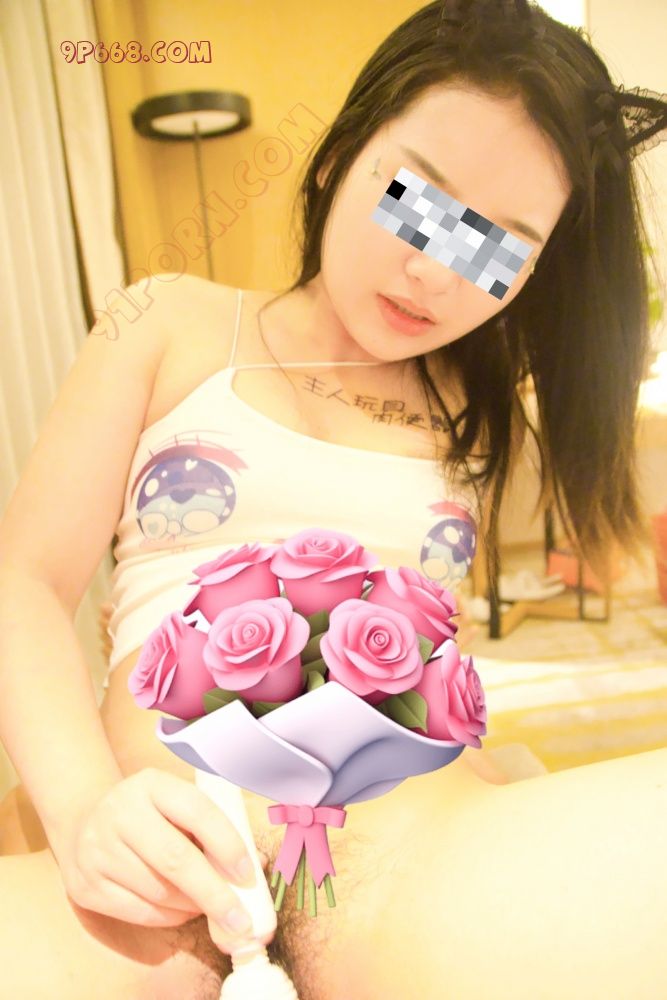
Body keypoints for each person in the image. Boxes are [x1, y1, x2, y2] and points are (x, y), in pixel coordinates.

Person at [0, 0, 666, 995]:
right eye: (414, 197)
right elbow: (24, 577)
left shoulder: (474, 415)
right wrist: (83, 805)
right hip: (151, 872)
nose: (431, 269)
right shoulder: (167, 320)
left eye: (497, 247)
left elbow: (436, 639)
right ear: (336, 157)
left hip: (400, 868)